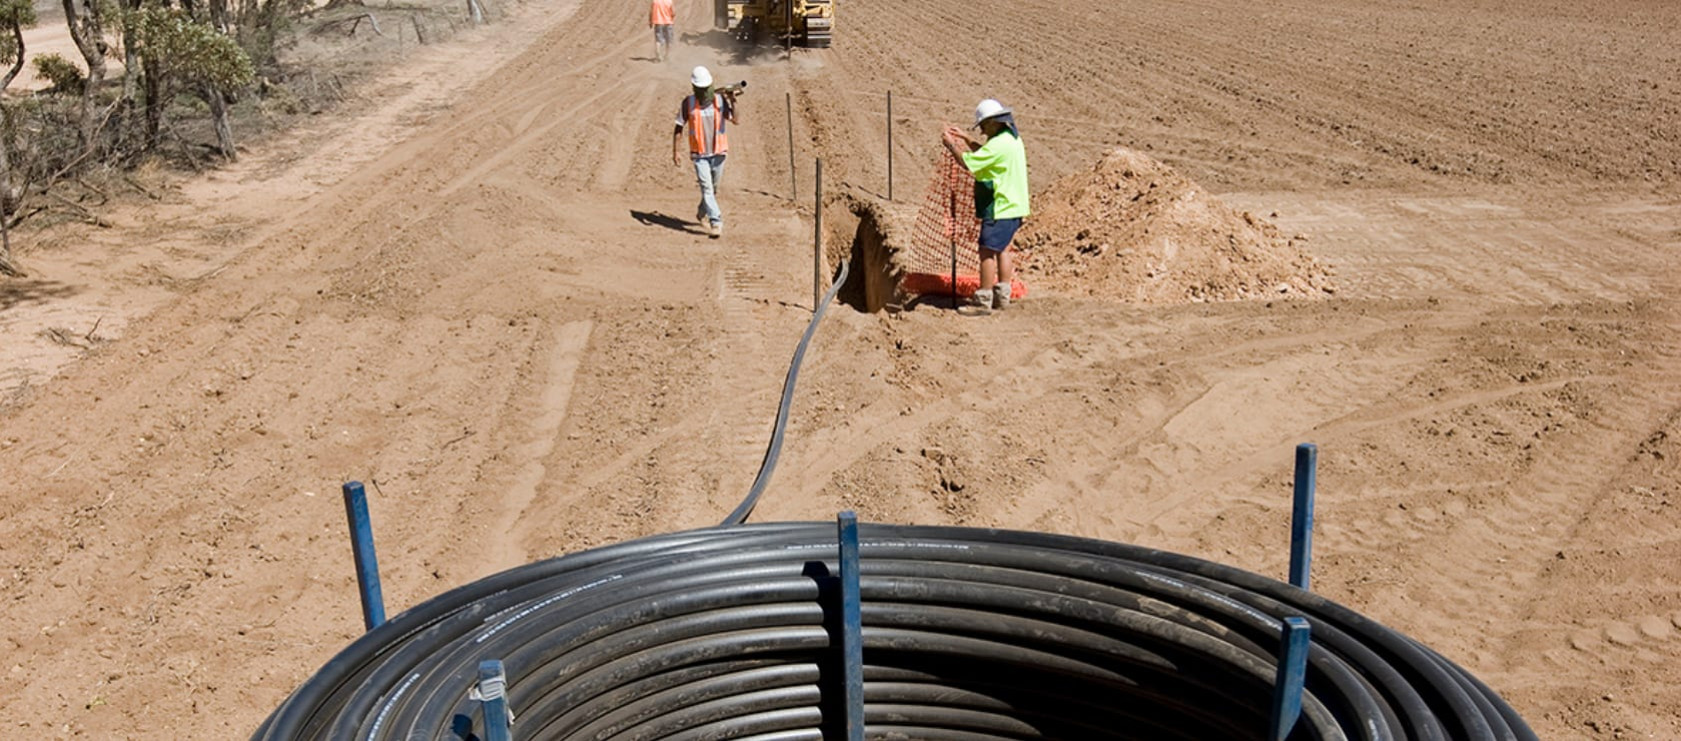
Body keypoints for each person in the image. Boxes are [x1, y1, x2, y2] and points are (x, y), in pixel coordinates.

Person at [942, 98, 1030, 311]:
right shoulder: (1011, 139)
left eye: (982, 125)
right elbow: (986, 153)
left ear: (992, 122)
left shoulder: (998, 145)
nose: (981, 130)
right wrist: (966, 138)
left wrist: (951, 144)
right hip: (1015, 207)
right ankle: (1003, 296)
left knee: (986, 251)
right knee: (1002, 249)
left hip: (1000, 206)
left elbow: (967, 162)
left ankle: (983, 300)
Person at [673, 66, 739, 239]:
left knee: (713, 189)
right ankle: (716, 222)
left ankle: (702, 212)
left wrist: (733, 101)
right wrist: (676, 151)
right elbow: (678, 127)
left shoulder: (719, 101)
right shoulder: (688, 103)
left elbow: (736, 120)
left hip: (718, 153)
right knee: (707, 188)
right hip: (699, 154)